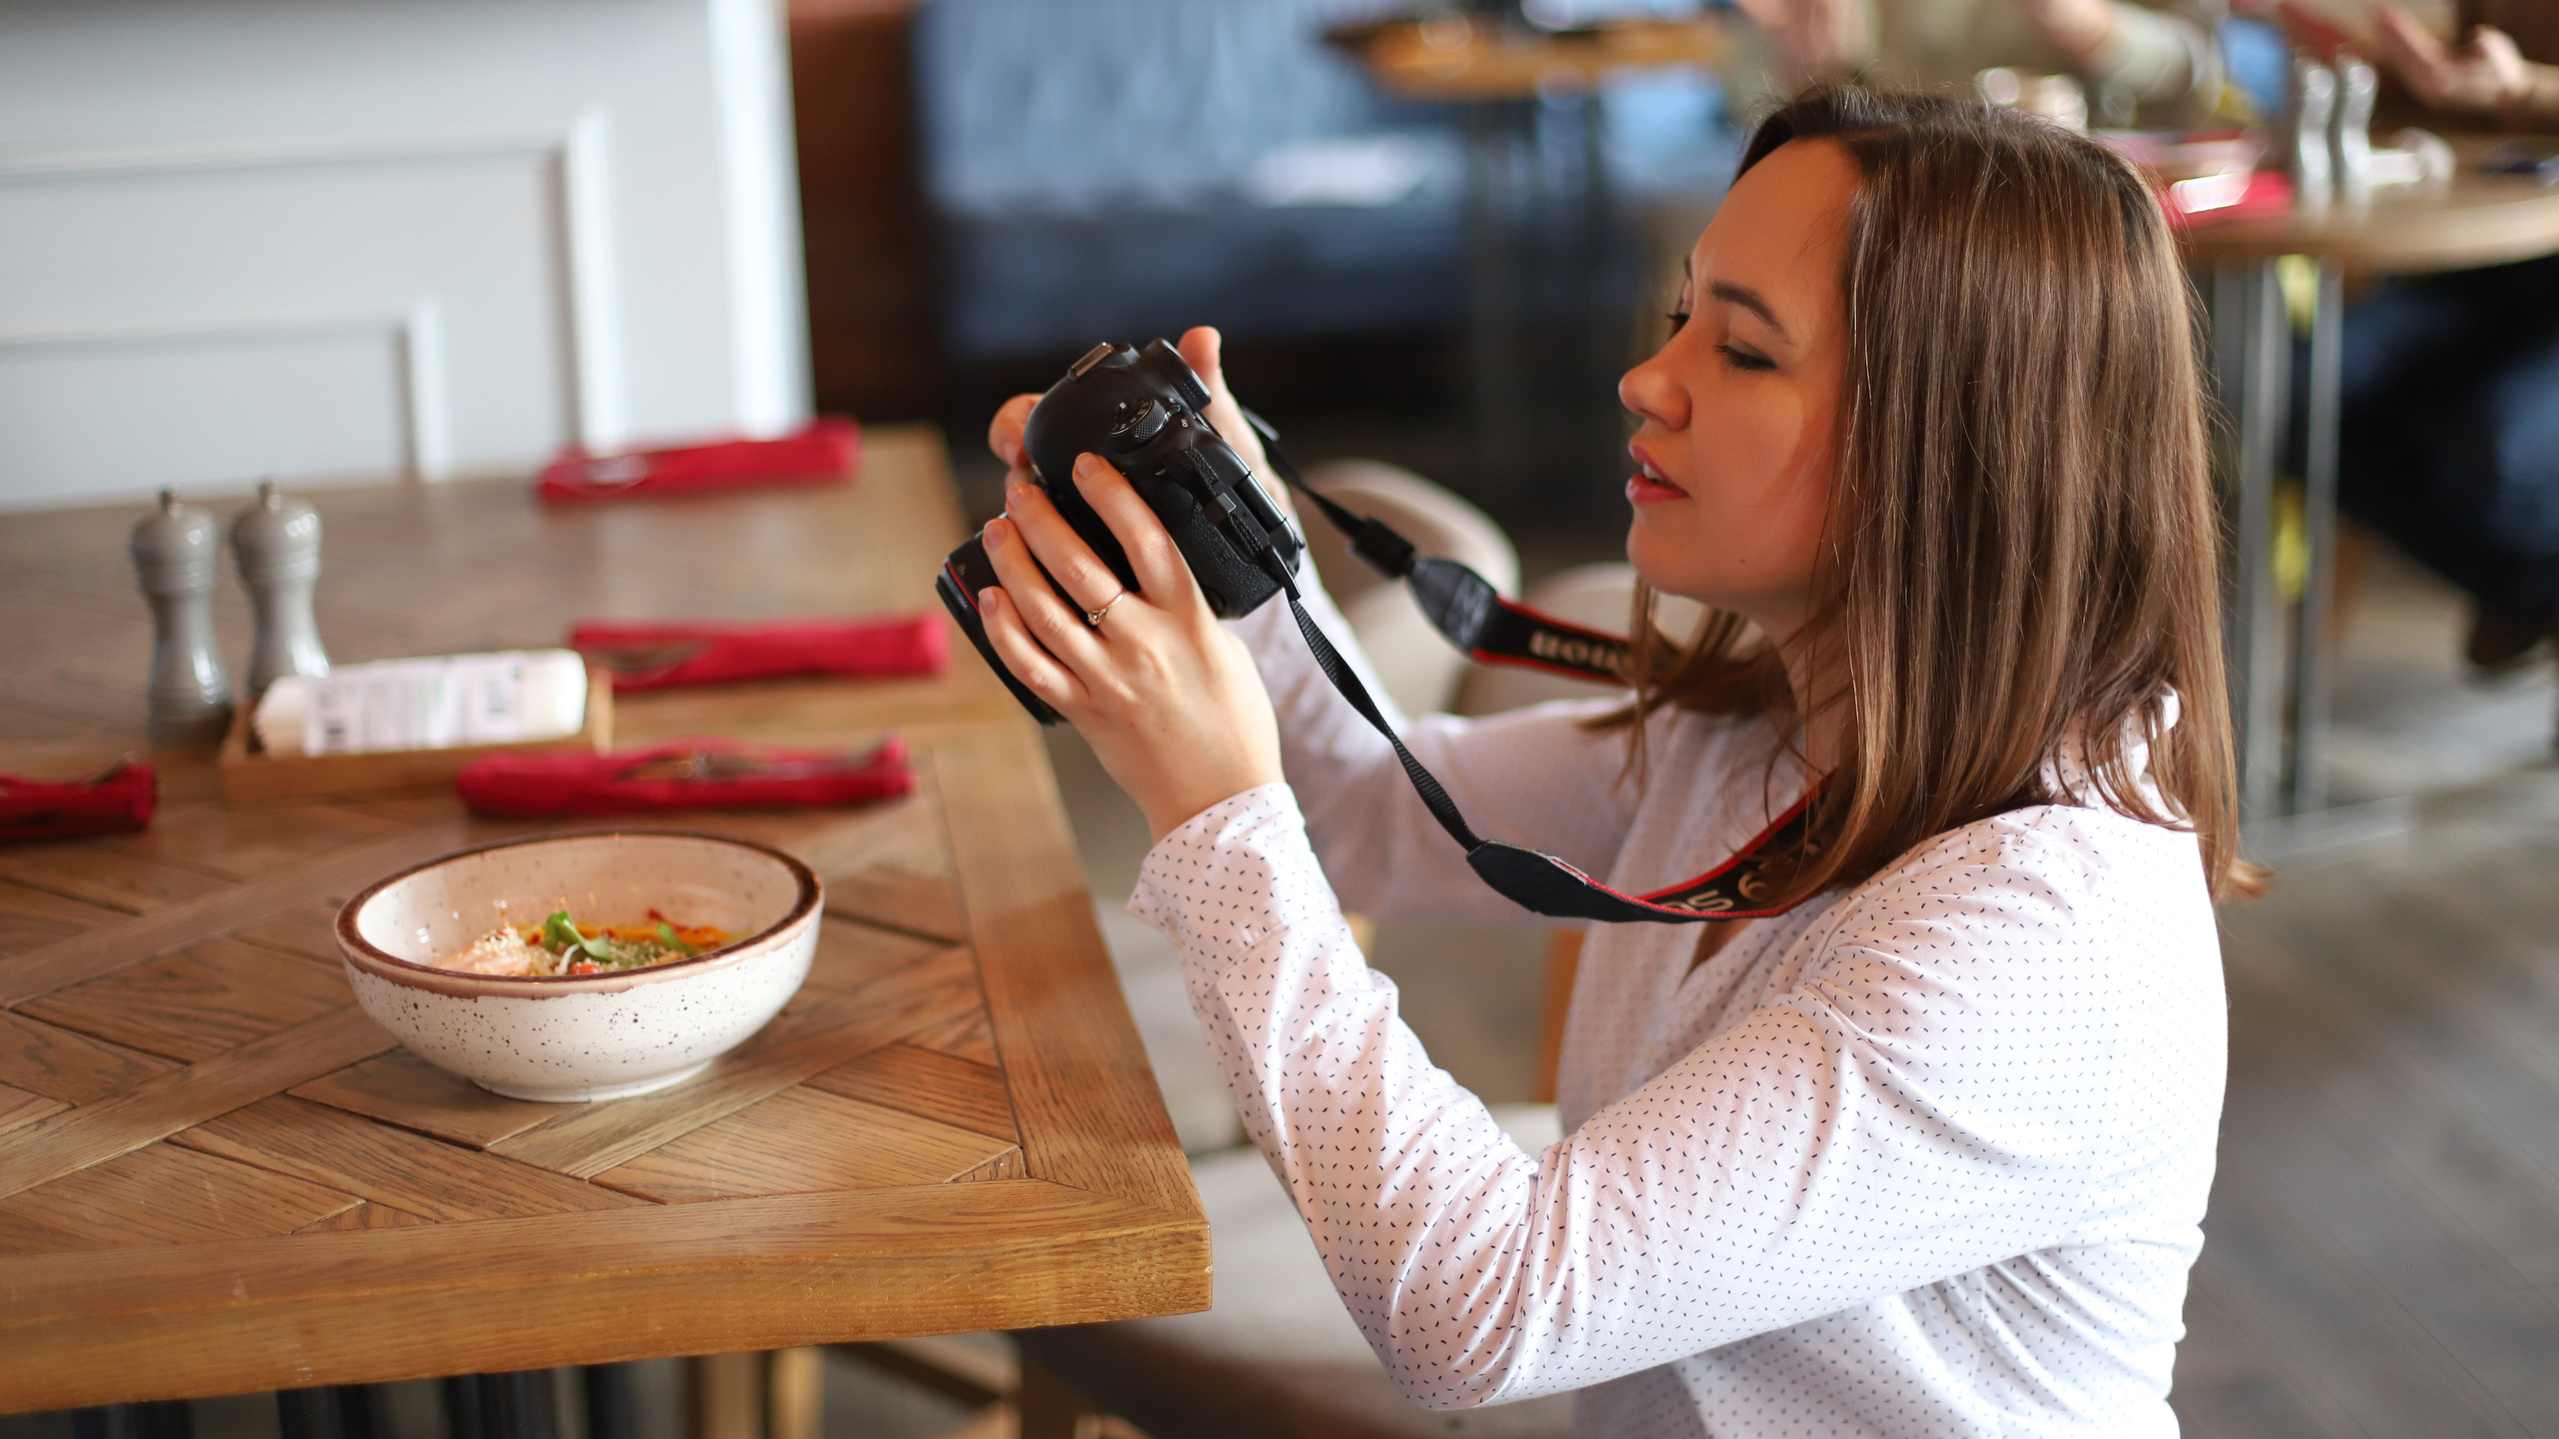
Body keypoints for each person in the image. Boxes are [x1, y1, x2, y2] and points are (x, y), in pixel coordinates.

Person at [972, 88, 2244, 1436]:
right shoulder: (1784, 727)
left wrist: (1216, 808)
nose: (1648, 380)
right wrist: (1230, 536)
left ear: (1952, 446)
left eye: (1742, 352)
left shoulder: (2036, 942)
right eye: (1676, 316)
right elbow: (1365, 812)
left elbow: (1478, 1307)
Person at [2284, 1, 2559, 670]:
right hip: (2484, 256)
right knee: (2284, 394)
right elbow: (2454, 102)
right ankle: (2532, 592)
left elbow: (2509, 88)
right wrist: (2387, 68)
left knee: (2498, 459)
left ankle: (2530, 591)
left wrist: (2526, 90)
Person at [1728, 0, 2228, 127]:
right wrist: (1826, 63)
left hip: (2088, 212)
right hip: (1905, 194)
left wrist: (2088, 25)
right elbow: (1757, 89)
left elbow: (2196, 74)